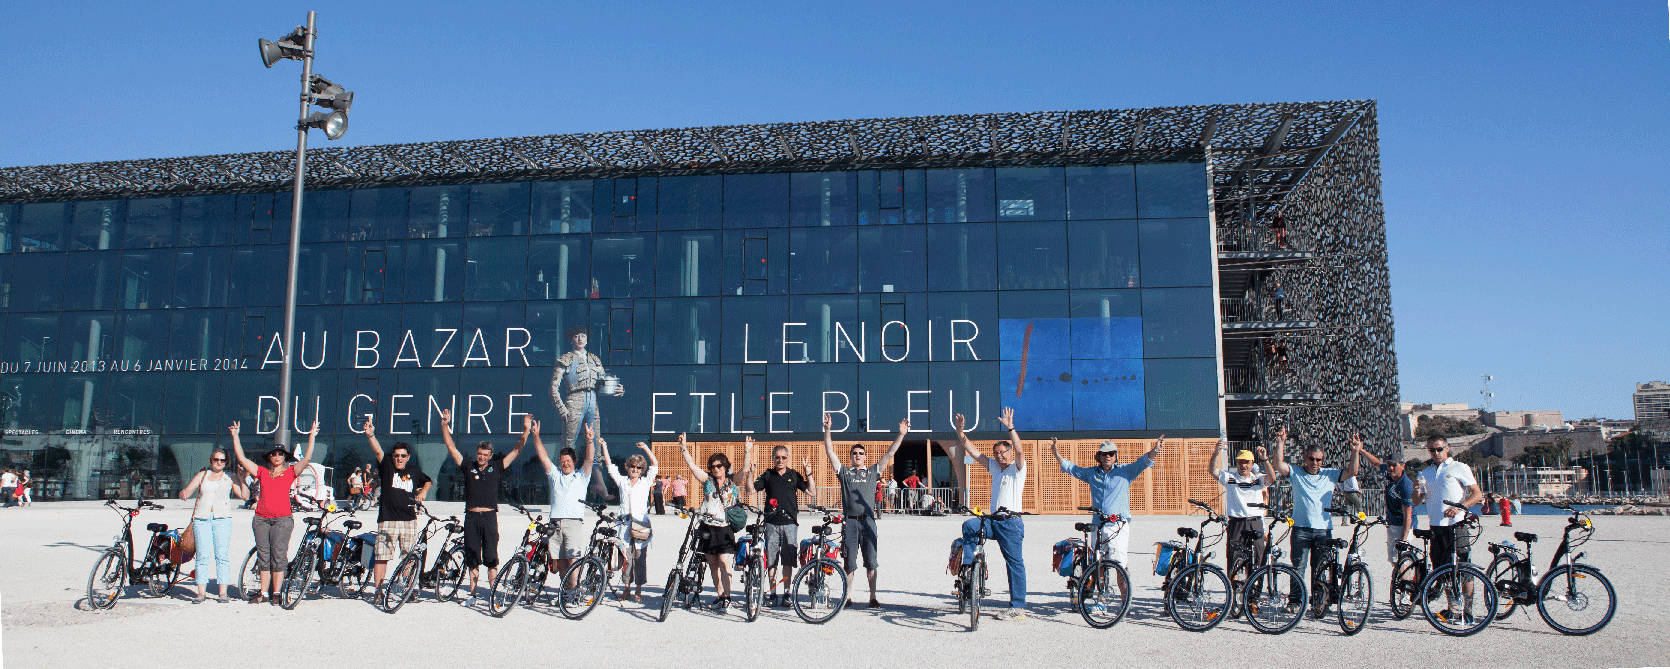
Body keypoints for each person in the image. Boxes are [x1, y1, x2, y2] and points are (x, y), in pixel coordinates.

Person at [438, 409, 530, 608]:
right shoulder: (468, 466)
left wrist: (526, 430)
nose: (481, 457)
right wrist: (445, 425)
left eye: (485, 455)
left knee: (491, 559)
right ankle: (472, 596)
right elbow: (451, 448)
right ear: (477, 453)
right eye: (479, 454)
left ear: (490, 456)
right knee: (472, 560)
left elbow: (516, 451)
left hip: (489, 519)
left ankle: (493, 595)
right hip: (471, 518)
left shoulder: (496, 467)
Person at [1270, 426, 1362, 612]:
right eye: (1311, 458)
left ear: (1322, 460)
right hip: (1301, 529)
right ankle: (1295, 602)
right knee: (1298, 567)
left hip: (1322, 530)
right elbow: (1279, 464)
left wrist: (1355, 451)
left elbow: (1352, 471)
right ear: (1305, 457)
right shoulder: (1296, 472)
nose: (1314, 462)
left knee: (1320, 568)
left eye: (1318, 460)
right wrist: (1280, 443)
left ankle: (1319, 601)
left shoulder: (1330, 474)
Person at [822, 412, 907, 609]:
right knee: (849, 562)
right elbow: (829, 451)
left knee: (871, 562)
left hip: (868, 521)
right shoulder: (844, 473)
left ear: (865, 457)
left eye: (861, 453)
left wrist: (901, 435)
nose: (858, 455)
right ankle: (847, 596)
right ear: (851, 456)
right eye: (855, 453)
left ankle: (873, 597)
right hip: (850, 522)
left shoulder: (872, 472)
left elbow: (889, 454)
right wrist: (827, 430)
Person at [953, 407, 1031, 620]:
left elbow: (1020, 451)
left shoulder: (1017, 469)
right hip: (992, 520)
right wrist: (960, 432)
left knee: (1014, 563)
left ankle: (1017, 607)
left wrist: (1011, 428)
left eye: (1003, 452)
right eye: (996, 453)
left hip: (1011, 523)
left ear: (1009, 453)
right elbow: (973, 451)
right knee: (969, 525)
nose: (999, 456)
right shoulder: (995, 467)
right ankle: (969, 568)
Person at [229, 420, 318, 605]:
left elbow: (306, 459)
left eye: (280, 454)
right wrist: (235, 437)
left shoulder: (290, 472)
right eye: (274, 454)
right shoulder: (262, 472)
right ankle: (264, 593)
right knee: (263, 556)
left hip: (282, 520)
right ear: (269, 457)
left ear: (284, 457)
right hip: (261, 519)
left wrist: (311, 437)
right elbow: (243, 459)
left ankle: (276, 593)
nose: (277, 456)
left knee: (279, 556)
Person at [678, 432, 756, 612]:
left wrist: (747, 450)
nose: (716, 469)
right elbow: (691, 466)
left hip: (724, 528)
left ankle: (727, 598)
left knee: (724, 562)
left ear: (725, 467)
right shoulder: (707, 481)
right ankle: (720, 596)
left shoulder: (732, 482)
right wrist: (684, 448)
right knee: (712, 565)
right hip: (707, 527)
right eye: (713, 466)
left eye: (719, 466)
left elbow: (745, 469)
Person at [548, 325, 624, 502]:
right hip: (574, 400)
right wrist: (562, 408)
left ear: (587, 339)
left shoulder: (594, 359)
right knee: (569, 443)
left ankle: (600, 486)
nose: (580, 339)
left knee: (594, 442)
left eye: (583, 336)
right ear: (571, 340)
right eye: (576, 336)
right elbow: (553, 388)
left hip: (592, 401)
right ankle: (565, 485)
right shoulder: (565, 359)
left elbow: (604, 384)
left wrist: (617, 390)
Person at [1413, 435, 1484, 622]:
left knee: (1464, 568)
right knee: (1442, 569)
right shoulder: (1425, 473)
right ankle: (1452, 608)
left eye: (1439, 449)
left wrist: (1461, 507)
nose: (1436, 453)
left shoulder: (1459, 467)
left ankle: (1467, 612)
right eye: (1432, 450)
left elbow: (1477, 494)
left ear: (1447, 448)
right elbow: (1416, 501)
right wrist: (1416, 490)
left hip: (1457, 525)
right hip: (1436, 526)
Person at [362, 417, 434, 589]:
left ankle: (406, 589)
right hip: (388, 519)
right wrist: (371, 435)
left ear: (408, 457)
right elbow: (379, 452)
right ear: (392, 456)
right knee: (381, 556)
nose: (399, 459)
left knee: (408, 556)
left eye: (402, 456)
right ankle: (378, 591)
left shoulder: (414, 471)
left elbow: (428, 481)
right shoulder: (387, 466)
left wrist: (423, 492)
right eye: (396, 455)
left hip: (409, 520)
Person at [179, 448, 248, 603]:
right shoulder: (202, 475)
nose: (219, 462)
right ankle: (201, 592)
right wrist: (184, 493)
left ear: (226, 462)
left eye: (222, 460)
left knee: (222, 556)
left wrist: (242, 479)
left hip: (222, 519)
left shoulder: (230, 477)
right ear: (211, 460)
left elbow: (244, 496)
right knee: (202, 556)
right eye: (216, 459)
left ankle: (223, 593)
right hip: (202, 518)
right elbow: (188, 490)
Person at [531, 419, 593, 590]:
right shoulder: (555, 475)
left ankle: (574, 591)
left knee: (573, 559)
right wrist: (536, 436)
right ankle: (566, 591)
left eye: (568, 461)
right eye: (562, 461)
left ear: (574, 461)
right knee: (560, 561)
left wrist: (589, 441)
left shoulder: (581, 476)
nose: (565, 464)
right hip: (555, 523)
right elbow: (543, 457)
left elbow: (589, 459)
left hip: (573, 522)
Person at [1209, 439, 1273, 592]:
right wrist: (1216, 453)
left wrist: (1265, 459)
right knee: (1233, 557)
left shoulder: (1258, 479)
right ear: (1236, 463)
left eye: (1247, 462)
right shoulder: (1230, 477)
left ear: (1252, 464)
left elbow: (1272, 478)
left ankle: (1254, 594)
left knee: (1258, 558)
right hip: (1236, 522)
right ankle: (1232, 593)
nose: (1243, 466)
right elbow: (1212, 471)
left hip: (1255, 522)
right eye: (1240, 462)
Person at [753, 445, 813, 608]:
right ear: (773, 458)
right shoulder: (767, 474)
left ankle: (787, 593)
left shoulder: (794, 475)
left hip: (790, 524)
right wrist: (750, 474)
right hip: (771, 523)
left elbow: (811, 492)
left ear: (788, 458)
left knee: (788, 560)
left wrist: (808, 473)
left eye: (783, 457)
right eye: (777, 457)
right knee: (771, 560)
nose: (780, 460)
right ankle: (772, 593)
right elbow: (750, 490)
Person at [602, 438, 659, 603]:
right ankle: (626, 589)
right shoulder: (622, 482)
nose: (635, 469)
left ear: (642, 470)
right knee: (626, 559)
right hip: (625, 525)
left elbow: (654, 464)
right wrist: (604, 445)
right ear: (627, 467)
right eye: (632, 466)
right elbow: (610, 466)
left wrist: (646, 448)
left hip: (641, 525)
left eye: (639, 467)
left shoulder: (646, 482)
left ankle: (638, 590)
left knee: (640, 559)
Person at [1355, 447, 1415, 565]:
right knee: (1394, 560)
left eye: (1394, 465)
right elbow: (1375, 463)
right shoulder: (1388, 473)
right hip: (1392, 523)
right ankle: (1401, 577)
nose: (1391, 468)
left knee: (1400, 560)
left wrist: (1404, 539)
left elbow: (1408, 515)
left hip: (1403, 525)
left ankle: (1405, 577)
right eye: (1389, 465)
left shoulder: (1406, 486)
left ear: (1402, 466)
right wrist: (1360, 449)